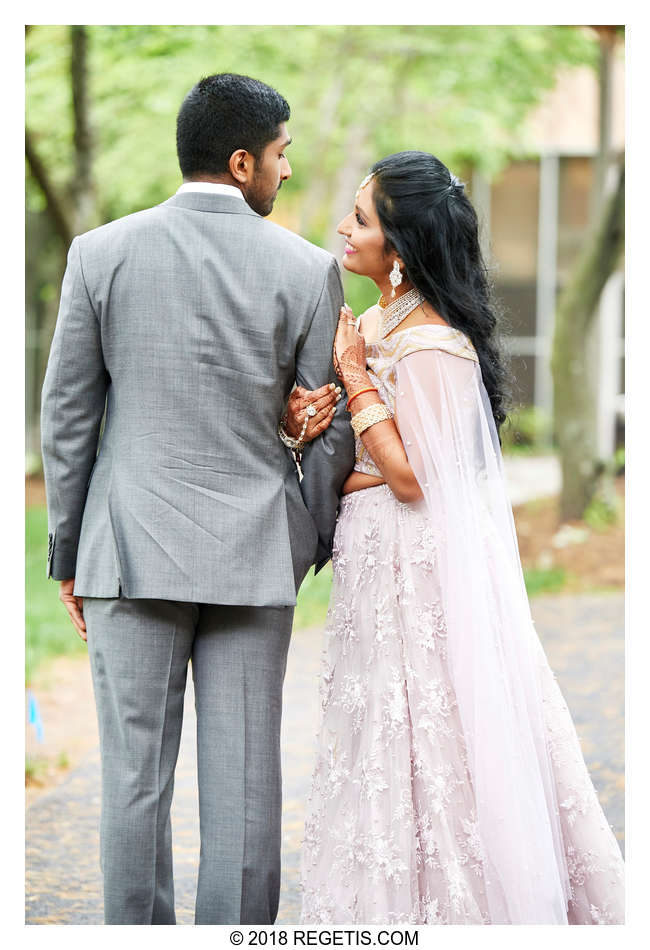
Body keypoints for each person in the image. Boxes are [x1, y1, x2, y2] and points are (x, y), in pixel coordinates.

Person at [40, 72, 354, 925]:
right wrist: (309, 539)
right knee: (247, 786)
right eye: (282, 155)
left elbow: (68, 418)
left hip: (128, 552)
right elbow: (328, 426)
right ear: (243, 159)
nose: (287, 172)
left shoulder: (100, 254)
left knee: (133, 782)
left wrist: (69, 553)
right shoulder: (308, 269)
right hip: (255, 555)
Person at [290, 151, 625, 924]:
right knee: (374, 735)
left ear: (400, 253)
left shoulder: (435, 344)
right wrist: (312, 417)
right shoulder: (376, 322)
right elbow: (375, 450)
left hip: (418, 571)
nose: (345, 226)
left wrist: (354, 376)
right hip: (373, 565)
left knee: (431, 733)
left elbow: (413, 478)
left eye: (363, 218)